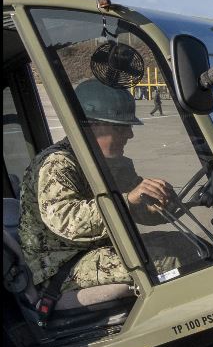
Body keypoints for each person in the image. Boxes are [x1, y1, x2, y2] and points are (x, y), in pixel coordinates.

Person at [18, 80, 178, 294]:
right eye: (121, 127)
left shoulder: (109, 161)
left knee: (184, 245)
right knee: (170, 261)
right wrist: (128, 200)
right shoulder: (57, 163)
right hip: (61, 265)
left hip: (95, 250)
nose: (129, 135)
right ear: (91, 126)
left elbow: (134, 209)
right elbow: (66, 222)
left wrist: (158, 207)